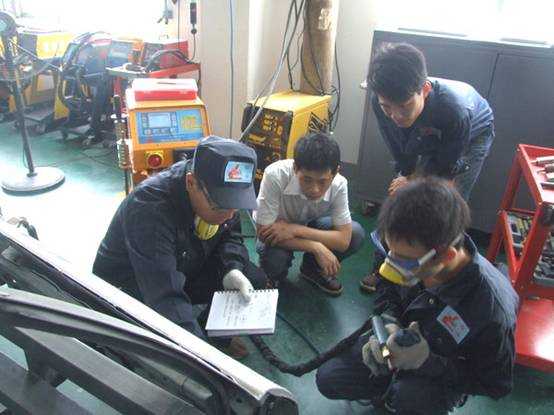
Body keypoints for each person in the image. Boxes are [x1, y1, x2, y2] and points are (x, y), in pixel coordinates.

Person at [316, 177, 518, 414]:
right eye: (389, 252)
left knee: (411, 399)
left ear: (447, 257)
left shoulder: (491, 310)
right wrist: (387, 324)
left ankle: (402, 397)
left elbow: (496, 385)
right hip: (397, 343)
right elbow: (387, 290)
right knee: (330, 378)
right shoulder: (403, 248)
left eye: (403, 260)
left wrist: (427, 362)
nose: (391, 265)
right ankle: (385, 390)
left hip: (439, 372)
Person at [92, 136, 267, 358]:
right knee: (156, 336)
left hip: (184, 263)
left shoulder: (218, 195)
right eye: (221, 206)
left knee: (252, 278)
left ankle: (211, 331)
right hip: (135, 282)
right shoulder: (149, 208)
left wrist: (231, 269)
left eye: (236, 205)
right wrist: (205, 361)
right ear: (191, 183)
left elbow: (231, 236)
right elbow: (165, 296)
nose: (230, 215)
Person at [360, 42, 495, 292]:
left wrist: (416, 180)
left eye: (404, 106)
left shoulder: (454, 110)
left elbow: (445, 167)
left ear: (424, 89)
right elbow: (397, 145)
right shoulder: (382, 102)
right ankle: (383, 268)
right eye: (387, 107)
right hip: (425, 133)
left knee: (445, 208)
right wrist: (407, 174)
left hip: (469, 138)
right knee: (398, 203)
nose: (396, 115)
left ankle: (435, 279)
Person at [254, 132, 365, 296]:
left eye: (323, 181)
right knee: (276, 260)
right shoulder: (275, 175)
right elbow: (263, 232)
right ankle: (272, 276)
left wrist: (295, 229)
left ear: (335, 172)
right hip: (275, 231)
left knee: (356, 234)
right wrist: (316, 247)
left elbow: (344, 240)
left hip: (299, 226)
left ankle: (311, 269)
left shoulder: (340, 184)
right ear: (295, 168)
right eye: (307, 180)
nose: (315, 189)